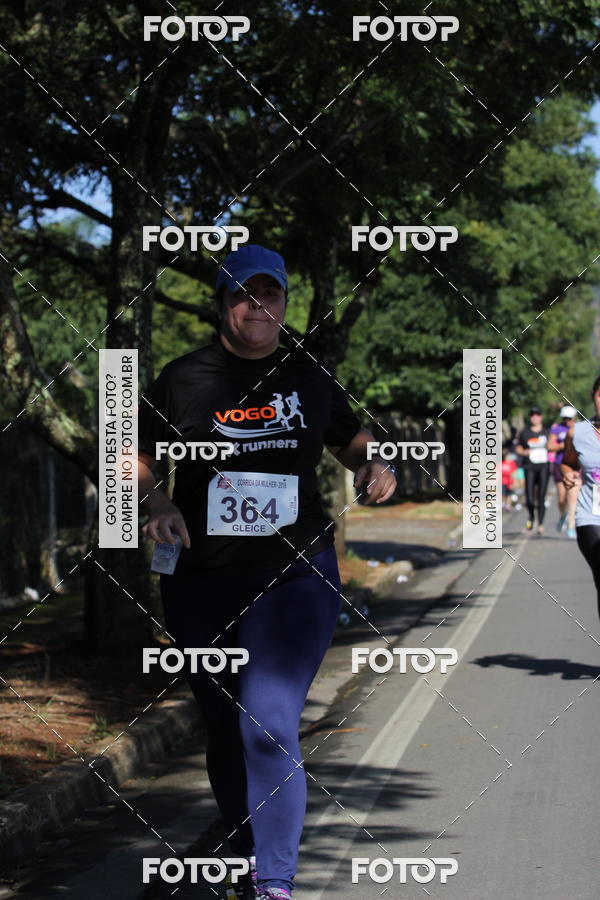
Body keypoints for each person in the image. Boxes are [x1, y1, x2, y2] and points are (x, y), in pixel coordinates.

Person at [136, 244, 397, 900]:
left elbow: (351, 438)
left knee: (268, 722)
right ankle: (247, 861)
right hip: (201, 579)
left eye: (272, 295)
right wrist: (157, 500)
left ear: (284, 303)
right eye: (246, 295)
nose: (261, 307)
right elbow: (129, 454)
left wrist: (374, 464)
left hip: (294, 573)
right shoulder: (184, 378)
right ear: (223, 302)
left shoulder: (307, 373)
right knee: (225, 728)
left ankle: (275, 883)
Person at [561, 376, 600, 620]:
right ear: (593, 398)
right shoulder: (578, 432)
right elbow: (567, 463)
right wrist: (567, 475)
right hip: (591, 516)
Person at [516, 407, 550, 534]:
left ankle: (540, 523)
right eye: (532, 415)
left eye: (537, 414)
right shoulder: (525, 432)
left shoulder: (547, 432)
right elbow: (518, 447)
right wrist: (523, 452)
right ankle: (531, 516)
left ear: (541, 417)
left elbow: (553, 445)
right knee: (529, 498)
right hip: (529, 466)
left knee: (541, 496)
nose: (534, 417)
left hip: (543, 467)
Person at [548, 405, 579, 538]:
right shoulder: (556, 429)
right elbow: (550, 446)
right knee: (562, 498)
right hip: (559, 465)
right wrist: (565, 443)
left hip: (575, 467)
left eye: (570, 418)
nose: (567, 421)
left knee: (572, 496)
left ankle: (571, 526)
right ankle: (562, 516)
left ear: (575, 417)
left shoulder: (580, 428)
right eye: (565, 418)